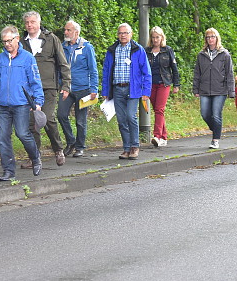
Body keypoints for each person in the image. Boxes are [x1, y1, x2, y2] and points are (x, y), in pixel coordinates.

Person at [0, 26, 44, 181]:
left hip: (22, 103)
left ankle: (35, 157)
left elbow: (35, 81)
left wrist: (38, 101)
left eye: (9, 40)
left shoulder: (28, 58)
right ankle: (8, 171)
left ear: (17, 39)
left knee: (23, 133)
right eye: (4, 41)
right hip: (3, 105)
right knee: (3, 138)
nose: (7, 44)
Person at [21, 11, 71, 167]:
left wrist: (66, 84)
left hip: (48, 87)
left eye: (33, 22)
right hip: (29, 90)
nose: (30, 25)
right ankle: (34, 156)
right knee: (32, 123)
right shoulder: (21, 42)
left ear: (39, 23)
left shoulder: (51, 39)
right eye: (27, 22)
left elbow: (63, 63)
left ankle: (58, 149)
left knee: (48, 119)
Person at [102, 23, 152, 160]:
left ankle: (135, 146)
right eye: (120, 33)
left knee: (131, 116)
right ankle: (126, 148)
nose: (123, 35)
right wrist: (105, 90)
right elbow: (106, 71)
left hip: (133, 89)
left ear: (131, 34)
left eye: (125, 33)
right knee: (121, 119)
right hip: (117, 88)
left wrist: (146, 91)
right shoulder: (112, 50)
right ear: (117, 35)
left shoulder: (138, 50)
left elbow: (146, 72)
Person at [57, 20, 98, 158]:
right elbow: (59, 68)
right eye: (65, 30)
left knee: (81, 120)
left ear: (76, 32)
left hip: (83, 89)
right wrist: (59, 83)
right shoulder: (62, 47)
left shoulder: (86, 47)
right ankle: (71, 141)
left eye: (68, 30)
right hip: (67, 88)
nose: (65, 32)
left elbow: (93, 69)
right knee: (61, 114)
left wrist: (94, 88)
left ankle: (80, 147)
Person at [193, 28, 235, 149]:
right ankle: (216, 129)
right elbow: (197, 73)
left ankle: (215, 139)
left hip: (220, 89)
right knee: (205, 113)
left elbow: (229, 73)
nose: (210, 39)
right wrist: (196, 89)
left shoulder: (224, 54)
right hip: (205, 89)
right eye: (208, 37)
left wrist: (231, 91)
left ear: (217, 38)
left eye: (212, 37)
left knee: (216, 114)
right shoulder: (201, 55)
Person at [145, 26, 180, 147]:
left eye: (157, 37)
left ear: (162, 37)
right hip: (150, 84)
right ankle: (164, 136)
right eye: (153, 37)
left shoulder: (167, 50)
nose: (155, 40)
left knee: (160, 109)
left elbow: (174, 68)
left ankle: (157, 136)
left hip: (164, 83)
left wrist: (176, 84)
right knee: (157, 110)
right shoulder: (147, 51)